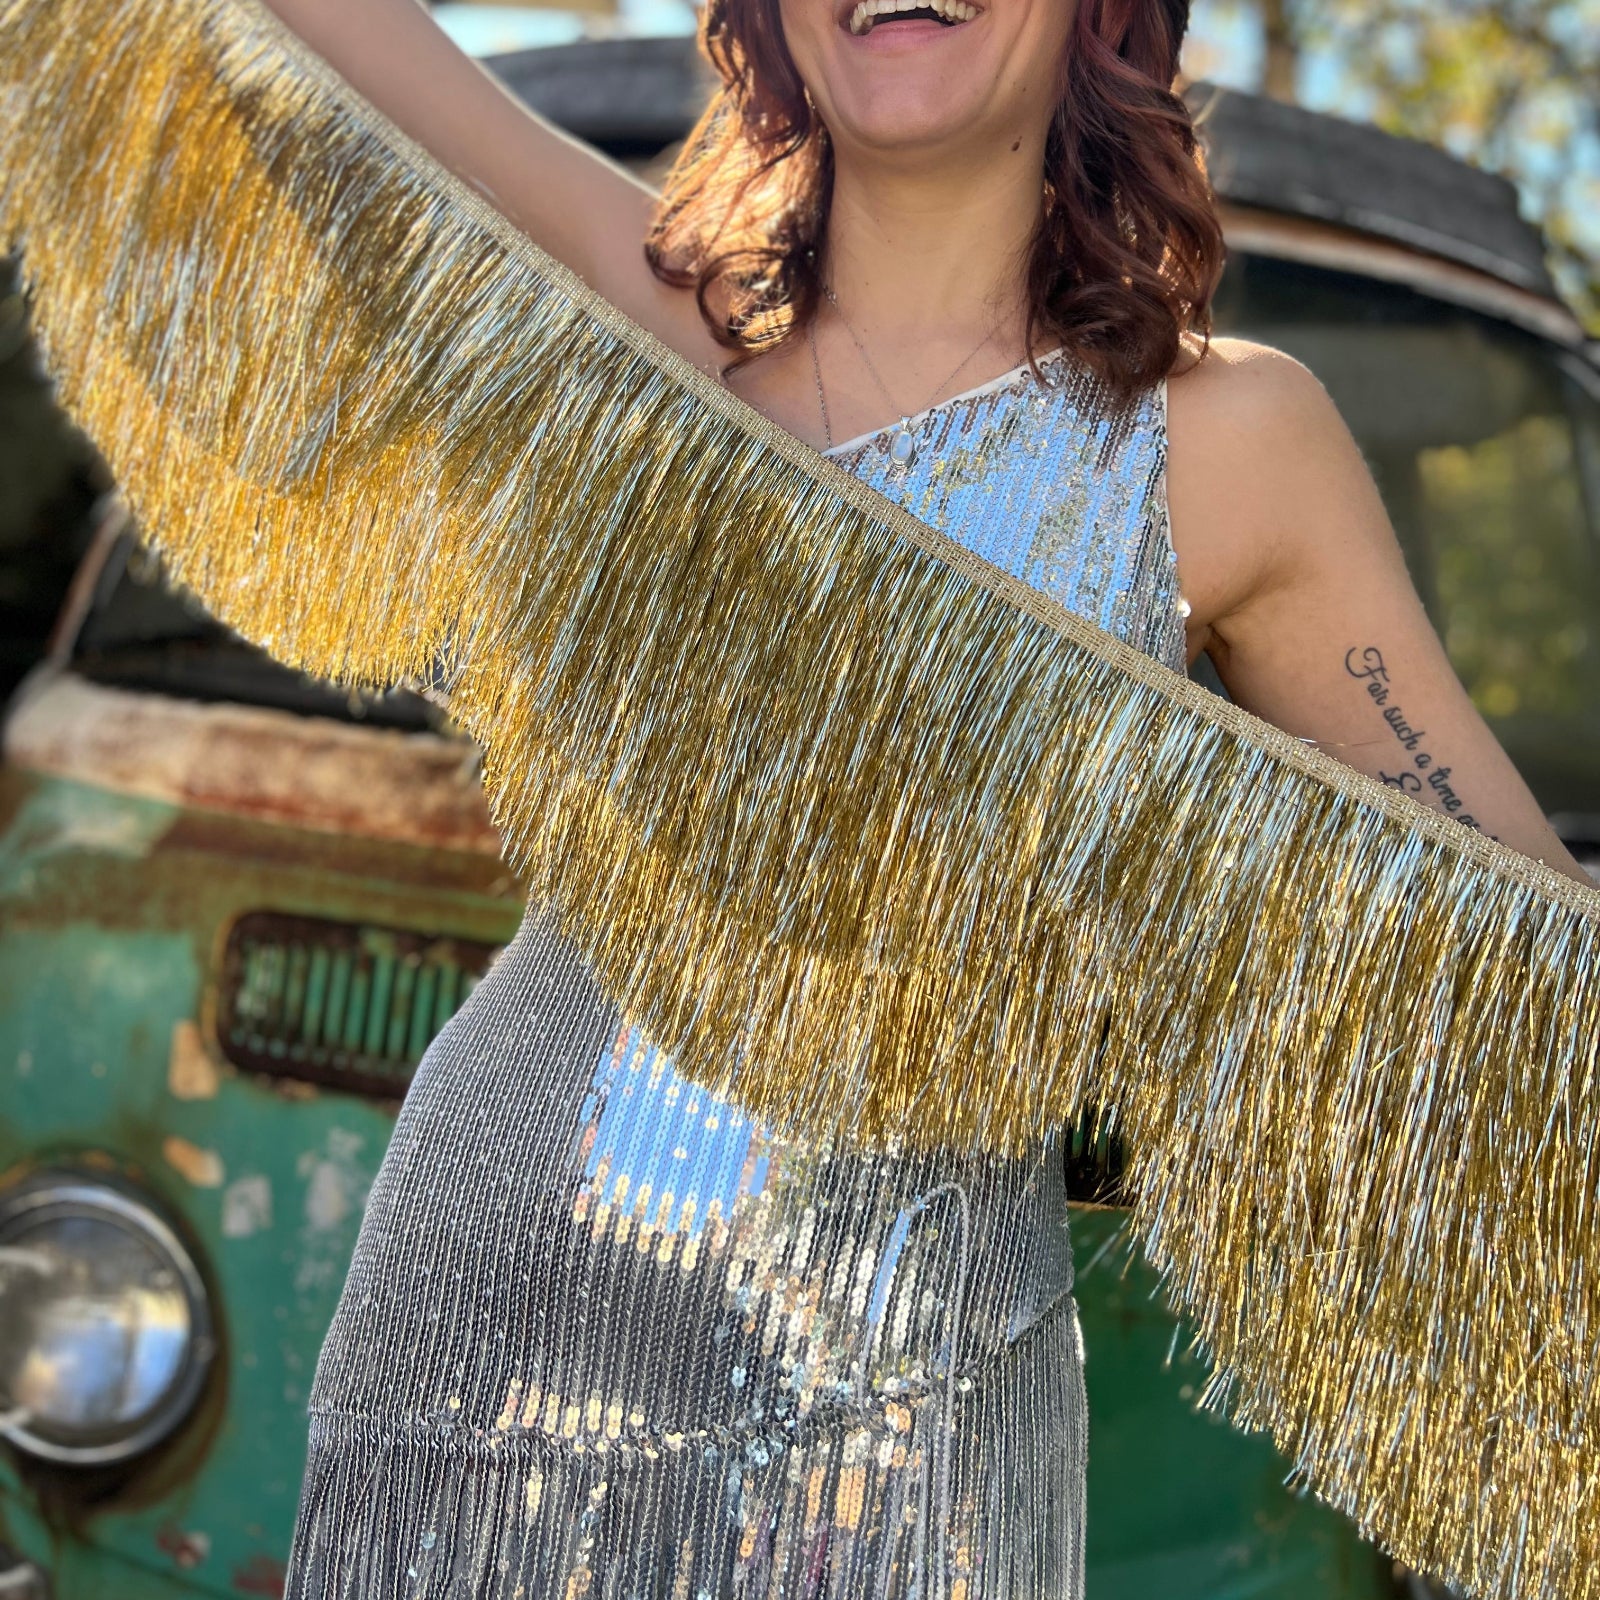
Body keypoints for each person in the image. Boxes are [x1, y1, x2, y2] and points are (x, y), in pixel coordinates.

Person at [106, 0, 1600, 1592]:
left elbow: (1522, 945)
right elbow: (320, 39)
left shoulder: (1230, 443)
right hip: (482, 1350)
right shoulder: (641, 313)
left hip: (912, 1428)